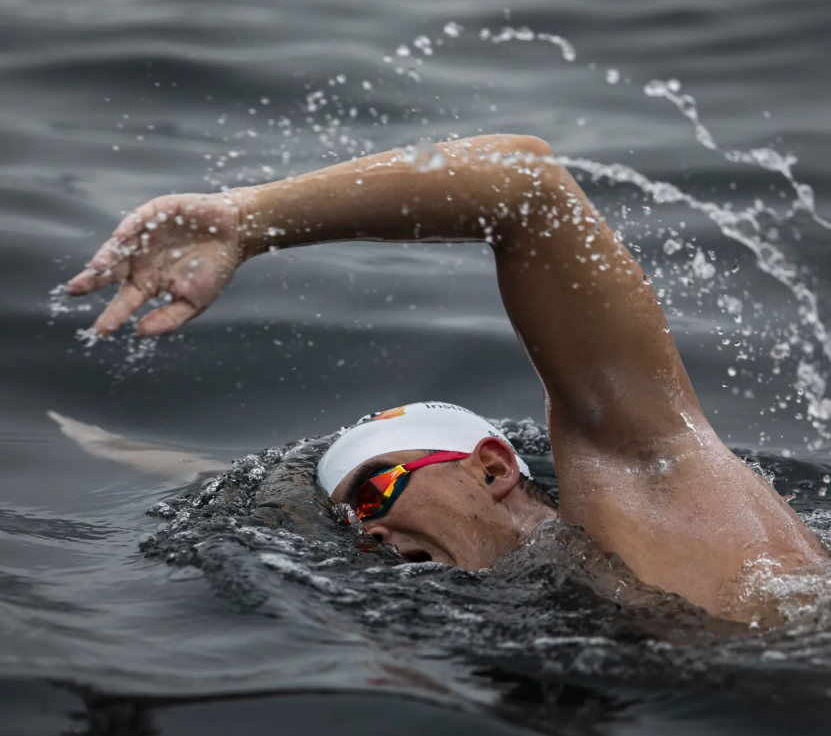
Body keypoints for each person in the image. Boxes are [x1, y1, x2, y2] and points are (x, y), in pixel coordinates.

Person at [66, 133, 828, 622]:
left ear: (491, 468)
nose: (363, 528)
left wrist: (249, 219)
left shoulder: (650, 483)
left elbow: (527, 187)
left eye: (372, 492)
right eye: (349, 518)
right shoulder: (563, 591)